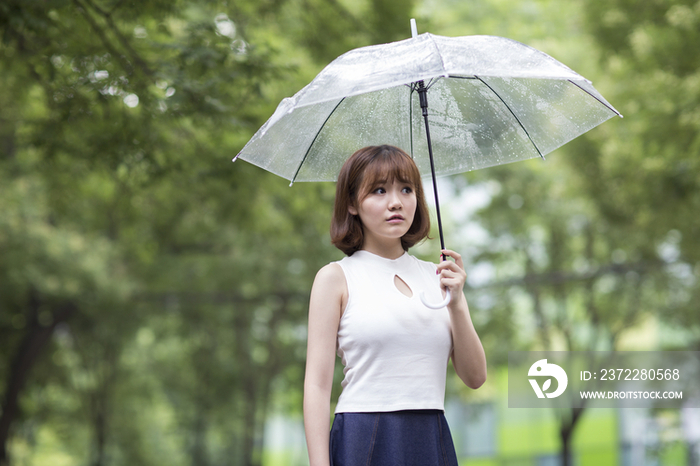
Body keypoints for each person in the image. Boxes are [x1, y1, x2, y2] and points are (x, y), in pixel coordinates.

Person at [303, 145, 487, 466]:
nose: (396, 202)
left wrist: (457, 302)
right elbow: (317, 386)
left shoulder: (438, 277)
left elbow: (475, 377)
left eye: (406, 189)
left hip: (431, 434)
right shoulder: (336, 278)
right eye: (378, 190)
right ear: (351, 204)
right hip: (365, 433)